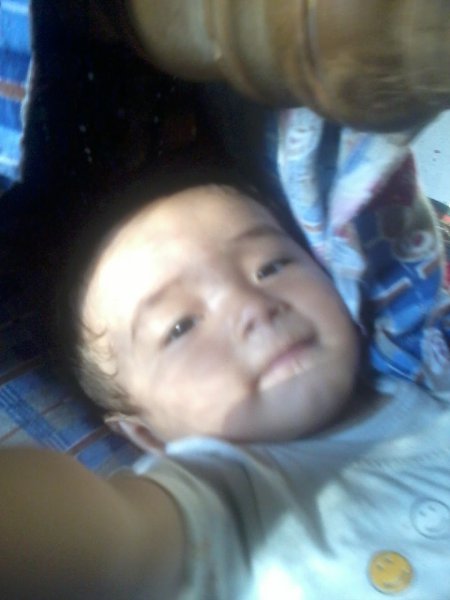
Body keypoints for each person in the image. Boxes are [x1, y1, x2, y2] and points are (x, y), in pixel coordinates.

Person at [1, 157, 450, 598]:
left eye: (271, 266)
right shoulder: (220, 500)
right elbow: (94, 540)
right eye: (181, 326)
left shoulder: (430, 364)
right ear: (146, 435)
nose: (252, 307)